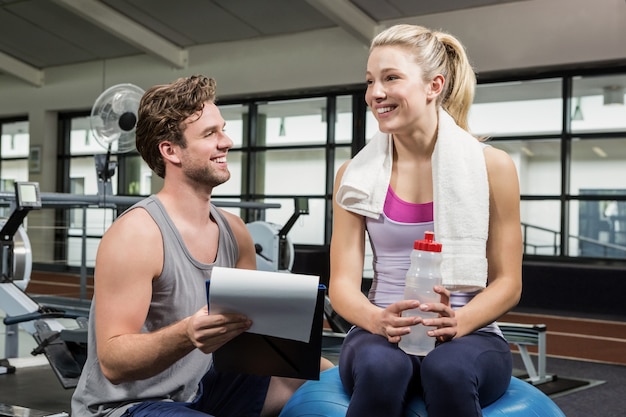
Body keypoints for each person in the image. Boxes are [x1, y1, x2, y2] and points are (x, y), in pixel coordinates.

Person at [71, 75, 332, 417]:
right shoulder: (136, 235)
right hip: (123, 407)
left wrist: (346, 374)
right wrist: (187, 333)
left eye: (222, 129)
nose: (227, 142)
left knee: (319, 383)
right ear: (170, 151)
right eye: (210, 134)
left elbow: (259, 343)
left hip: (199, 391)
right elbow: (114, 362)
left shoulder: (235, 232)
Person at [329, 24, 522, 417]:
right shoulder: (354, 175)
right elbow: (342, 285)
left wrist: (462, 321)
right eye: (370, 81)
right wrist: (377, 320)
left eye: (391, 78)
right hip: (378, 328)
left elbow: (509, 283)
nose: (375, 93)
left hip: (472, 331)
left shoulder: (493, 167)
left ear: (434, 86)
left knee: (447, 370)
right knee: (384, 369)